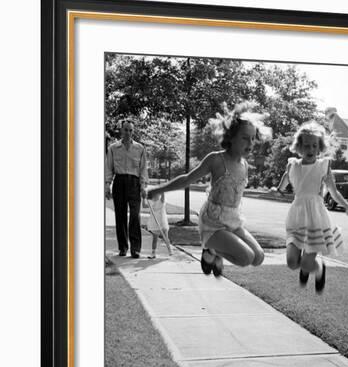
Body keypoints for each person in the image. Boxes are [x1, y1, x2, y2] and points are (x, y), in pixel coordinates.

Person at [147, 103, 271, 276]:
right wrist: (158, 189)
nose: (250, 143)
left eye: (252, 138)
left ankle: (214, 251)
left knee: (258, 257)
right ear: (231, 136)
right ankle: (210, 249)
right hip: (213, 222)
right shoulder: (216, 160)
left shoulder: (244, 165)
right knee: (246, 257)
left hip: (233, 220)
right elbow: (187, 179)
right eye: (244, 138)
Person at [277, 121, 348, 293]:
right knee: (291, 262)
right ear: (299, 147)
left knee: (306, 261)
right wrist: (278, 190)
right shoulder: (293, 165)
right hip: (296, 216)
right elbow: (284, 181)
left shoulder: (322, 167)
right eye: (306, 146)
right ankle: (306, 267)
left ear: (319, 148)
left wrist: (346, 205)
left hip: (316, 218)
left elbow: (333, 192)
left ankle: (318, 268)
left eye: (314, 146)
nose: (310, 150)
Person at [105, 120, 148, 258]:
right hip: (119, 182)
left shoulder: (140, 148)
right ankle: (123, 247)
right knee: (120, 216)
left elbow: (143, 169)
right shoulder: (113, 148)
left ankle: (135, 249)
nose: (128, 132)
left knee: (135, 216)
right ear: (121, 130)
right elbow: (109, 168)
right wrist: (107, 185)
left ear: (133, 131)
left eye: (130, 130)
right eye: (126, 130)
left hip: (134, 183)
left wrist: (143, 186)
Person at [146, 191, 172, 258]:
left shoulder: (162, 201)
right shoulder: (151, 202)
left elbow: (163, 197)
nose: (155, 196)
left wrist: (163, 190)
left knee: (166, 237)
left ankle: (170, 250)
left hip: (162, 222)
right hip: (155, 222)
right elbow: (144, 205)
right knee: (154, 239)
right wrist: (143, 198)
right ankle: (153, 253)